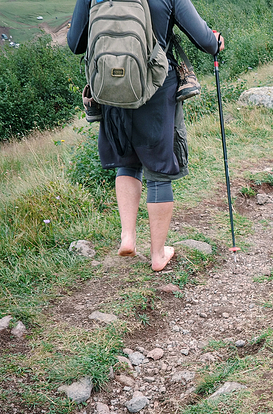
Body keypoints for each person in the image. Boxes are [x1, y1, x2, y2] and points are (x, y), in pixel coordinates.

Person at [67, 0, 224, 270]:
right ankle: (158, 255)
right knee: (160, 171)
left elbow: (75, 43)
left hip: (111, 88)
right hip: (156, 87)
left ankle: (128, 237)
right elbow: (205, 41)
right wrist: (216, 40)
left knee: (127, 162)